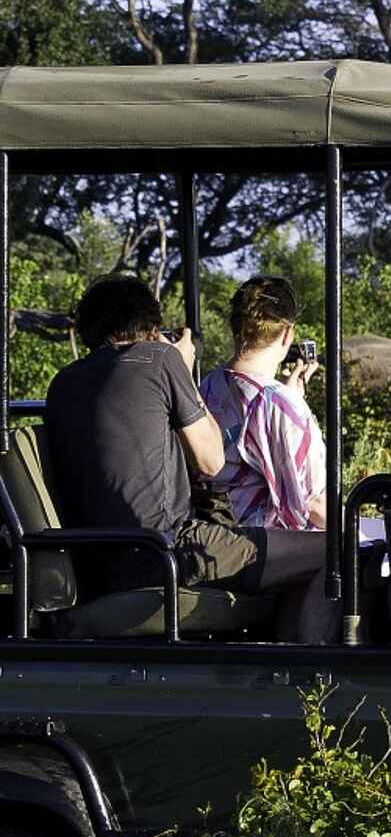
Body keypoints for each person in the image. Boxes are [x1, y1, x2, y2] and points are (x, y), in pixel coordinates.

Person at [45, 275, 335, 643]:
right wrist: (179, 366)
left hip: (96, 562)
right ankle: (310, 674)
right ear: (150, 327)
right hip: (169, 550)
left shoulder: (63, 383)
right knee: (336, 552)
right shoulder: (161, 360)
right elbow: (211, 461)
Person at [200, 275, 327, 531]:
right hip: (260, 544)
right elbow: (312, 504)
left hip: (211, 534)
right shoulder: (279, 404)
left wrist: (287, 399)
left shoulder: (208, 385)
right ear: (287, 333)